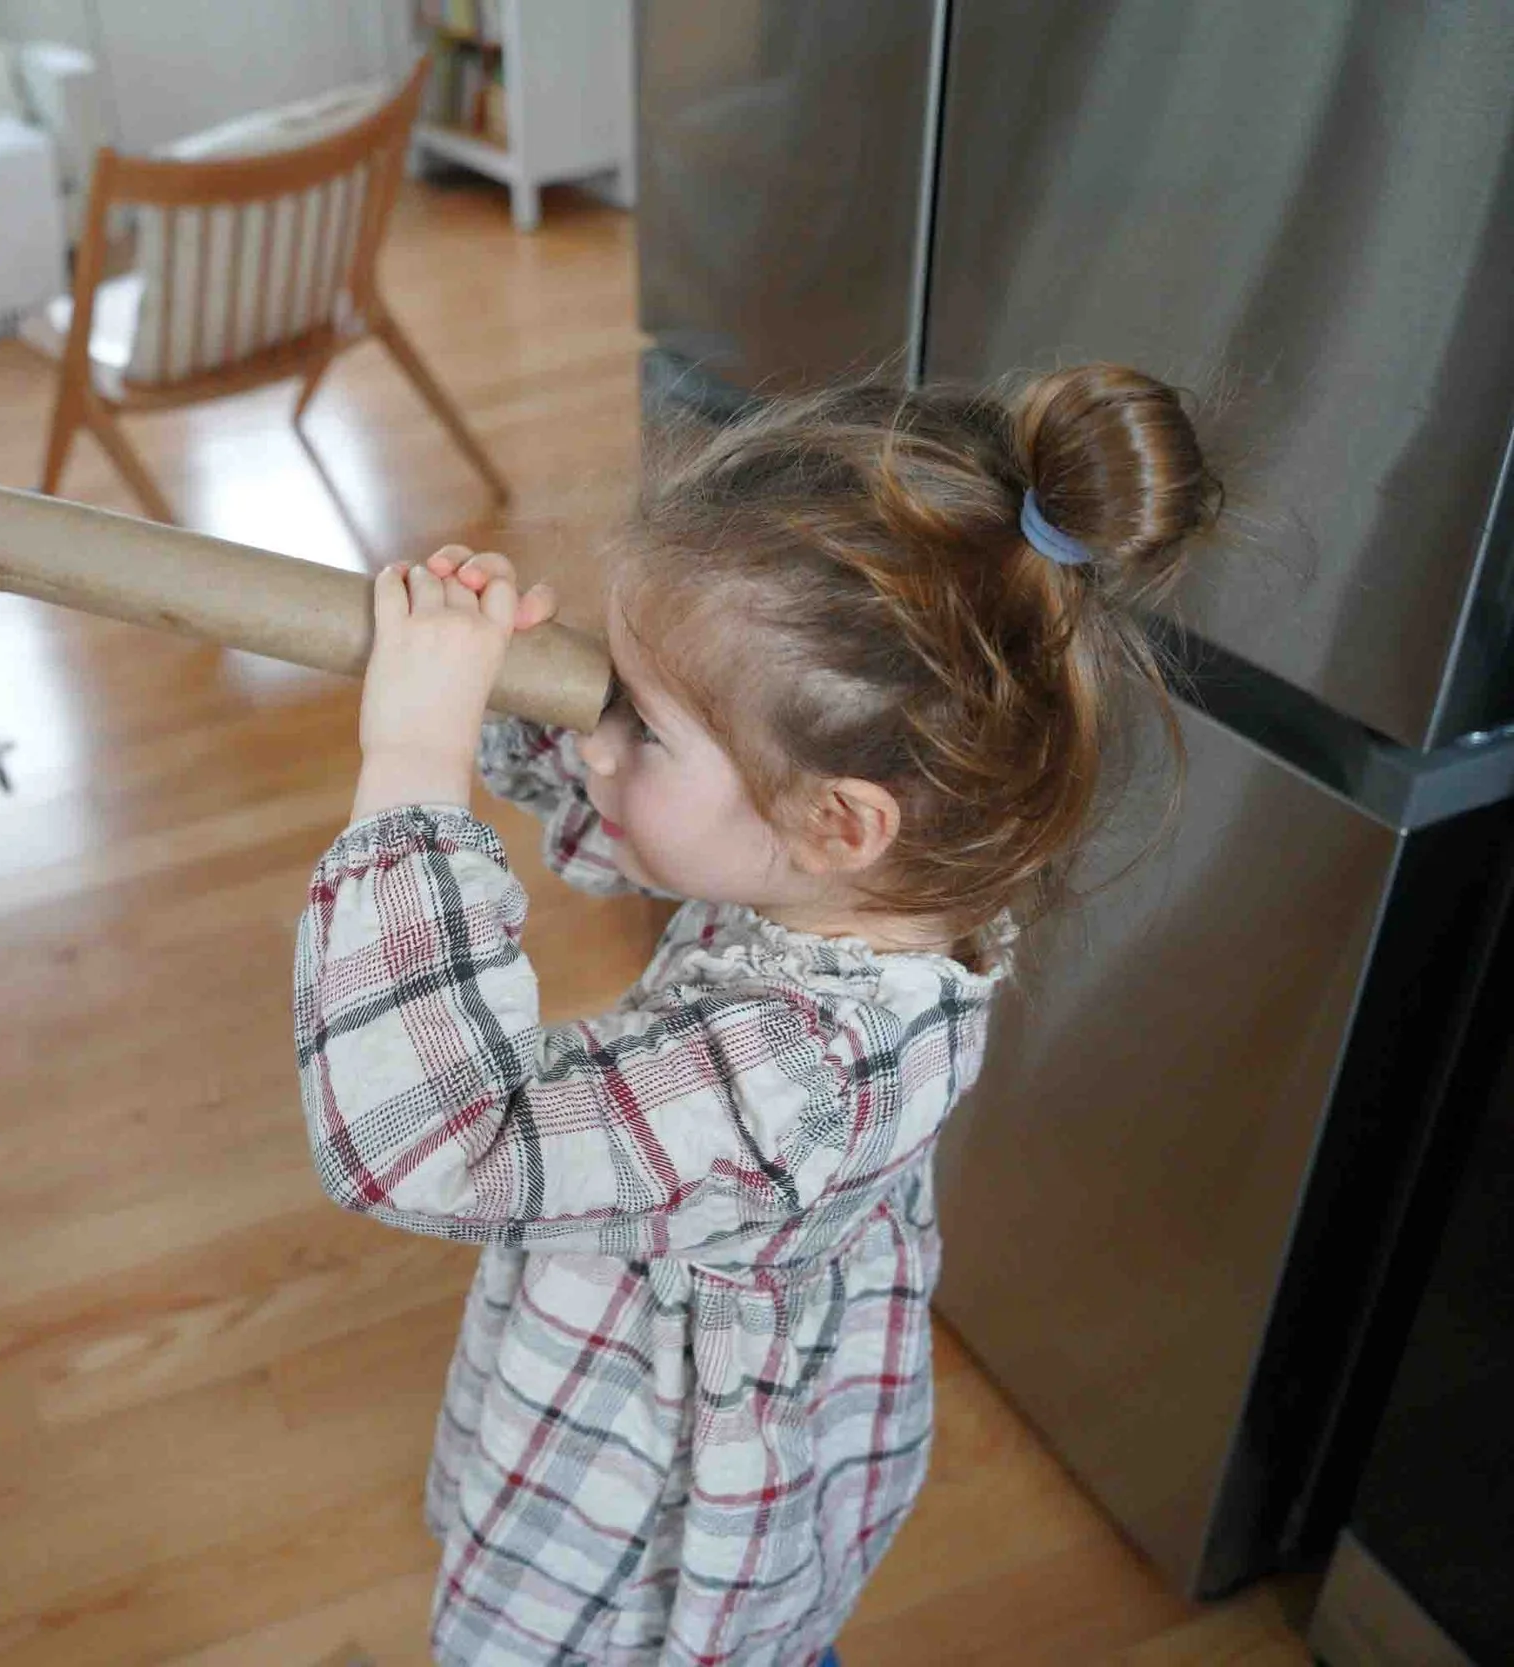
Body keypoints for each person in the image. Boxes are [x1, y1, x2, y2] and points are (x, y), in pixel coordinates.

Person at [292, 365, 1220, 1665]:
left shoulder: (803, 1073)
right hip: (728, 1480)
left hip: (645, 1565)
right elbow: (658, 827)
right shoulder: (882, 897)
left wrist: (413, 767)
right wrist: (493, 688)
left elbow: (429, 1138)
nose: (600, 746)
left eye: (643, 725)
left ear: (835, 819)